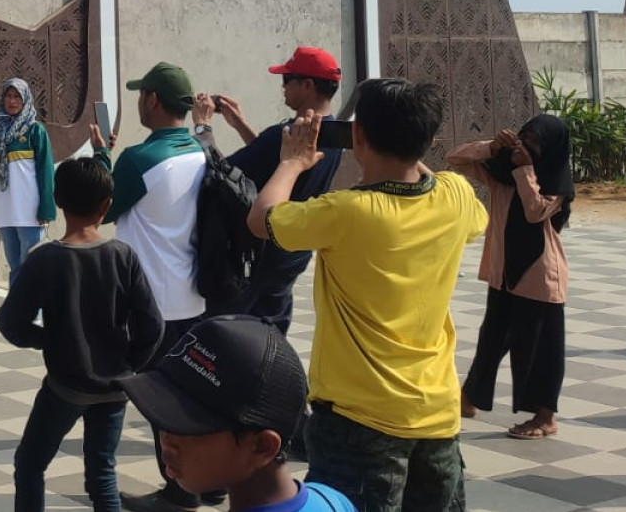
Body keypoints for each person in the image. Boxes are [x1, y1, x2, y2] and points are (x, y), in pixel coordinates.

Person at [247, 82, 488, 512]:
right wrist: (411, 150)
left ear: (357, 135)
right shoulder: (455, 194)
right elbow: (464, 210)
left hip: (357, 419)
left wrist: (291, 163)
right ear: (430, 139)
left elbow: (262, 218)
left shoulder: (345, 211)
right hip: (436, 413)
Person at [0, 149, 162, 512]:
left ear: (58, 200)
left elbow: (9, 322)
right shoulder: (123, 255)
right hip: (115, 387)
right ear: (107, 206)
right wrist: (128, 364)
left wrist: (48, 340)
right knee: (102, 474)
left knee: (30, 463)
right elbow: (153, 325)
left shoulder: (45, 259)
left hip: (65, 386)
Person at [110, 62, 214, 512]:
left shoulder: (139, 159)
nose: (139, 101)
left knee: (162, 406)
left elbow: (101, 206)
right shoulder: (202, 149)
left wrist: (101, 157)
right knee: (194, 396)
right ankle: (210, 480)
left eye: (141, 94)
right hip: (194, 296)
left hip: (151, 304)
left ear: (152, 100)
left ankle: (179, 492)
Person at [121, 317, 356, 512]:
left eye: (186, 427)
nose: (166, 443)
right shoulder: (331, 499)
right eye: (162, 422)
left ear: (262, 446)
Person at [193, 47, 345, 333]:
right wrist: (240, 125)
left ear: (308, 85)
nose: (283, 87)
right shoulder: (331, 133)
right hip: (293, 251)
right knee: (270, 332)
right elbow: (275, 165)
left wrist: (203, 127)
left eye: (287, 79)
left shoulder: (286, 135)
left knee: (222, 332)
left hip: (257, 253)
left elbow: (220, 174)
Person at [450, 114, 573, 441]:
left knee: (542, 348)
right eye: (523, 139)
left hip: (538, 275)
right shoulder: (501, 173)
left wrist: (525, 170)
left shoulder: (555, 183)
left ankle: (545, 417)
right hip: (504, 272)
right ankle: (469, 398)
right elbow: (455, 158)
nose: (525, 148)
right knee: (492, 337)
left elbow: (535, 211)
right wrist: (492, 147)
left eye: (534, 144)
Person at [0, 78, 56, 284]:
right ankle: (17, 303)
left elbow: (46, 172)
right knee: (15, 264)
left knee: (32, 264)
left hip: (29, 212)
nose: (12, 101)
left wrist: (46, 208)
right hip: (5, 210)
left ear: (25, 99)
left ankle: (35, 304)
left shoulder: (35, 131)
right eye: (8, 96)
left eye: (17, 96)